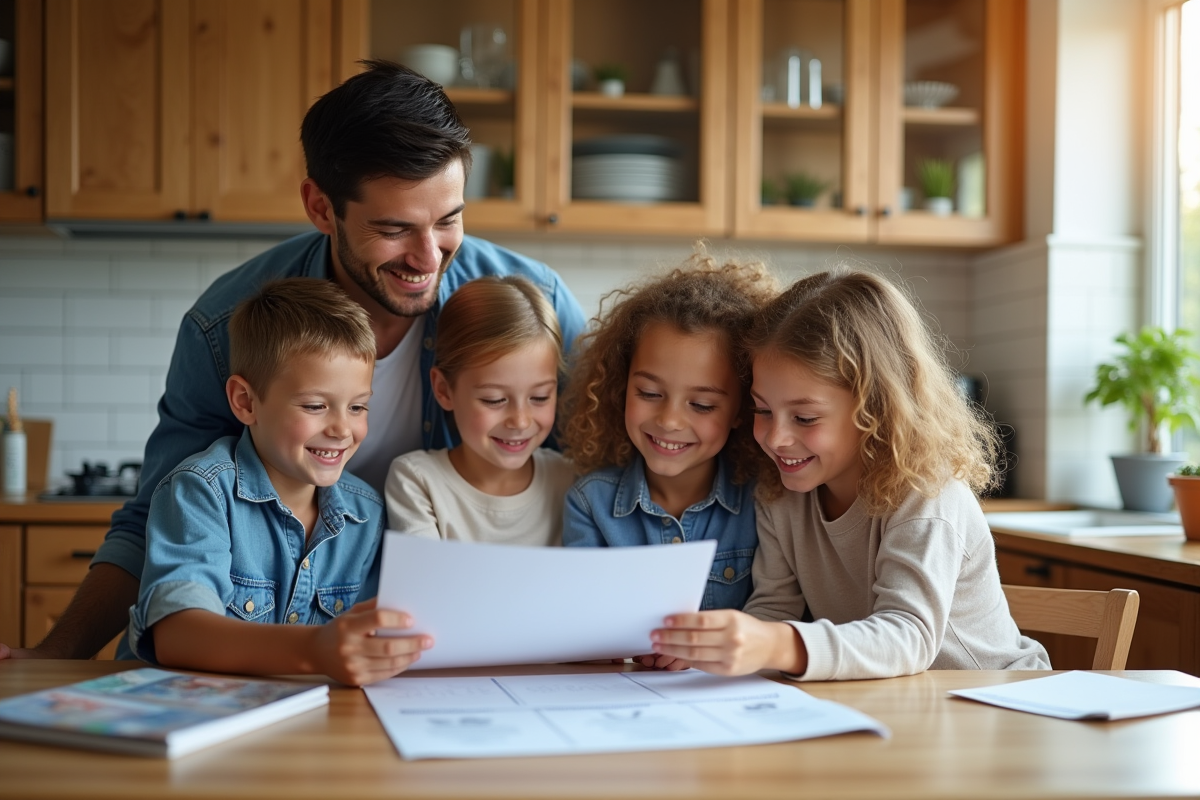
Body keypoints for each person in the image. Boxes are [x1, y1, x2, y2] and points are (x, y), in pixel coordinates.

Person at [0, 60, 585, 661]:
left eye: (449, 220)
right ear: (321, 207)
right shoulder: (225, 325)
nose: (427, 256)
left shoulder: (532, 309)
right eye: (393, 228)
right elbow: (152, 523)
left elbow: (608, 476)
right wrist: (54, 659)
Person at [647, 269, 1051, 679]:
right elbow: (773, 607)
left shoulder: (926, 495)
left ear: (876, 409)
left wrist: (775, 644)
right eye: (763, 410)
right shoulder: (780, 493)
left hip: (995, 701)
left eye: (805, 417)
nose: (776, 438)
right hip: (897, 706)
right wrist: (707, 649)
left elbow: (907, 637)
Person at [128, 279, 429, 686]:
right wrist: (314, 650)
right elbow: (177, 633)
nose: (343, 429)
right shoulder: (200, 492)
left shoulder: (367, 513)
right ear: (245, 402)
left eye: (358, 406)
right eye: (315, 406)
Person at [559, 252, 778, 627]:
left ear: (742, 408)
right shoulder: (589, 503)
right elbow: (582, 620)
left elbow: (776, 611)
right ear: (619, 386)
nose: (670, 420)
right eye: (649, 393)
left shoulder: (766, 501)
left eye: (703, 404)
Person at [385, 276, 574, 546]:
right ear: (444, 390)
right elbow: (425, 586)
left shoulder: (570, 480)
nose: (520, 421)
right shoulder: (417, 481)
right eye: (494, 400)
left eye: (540, 397)